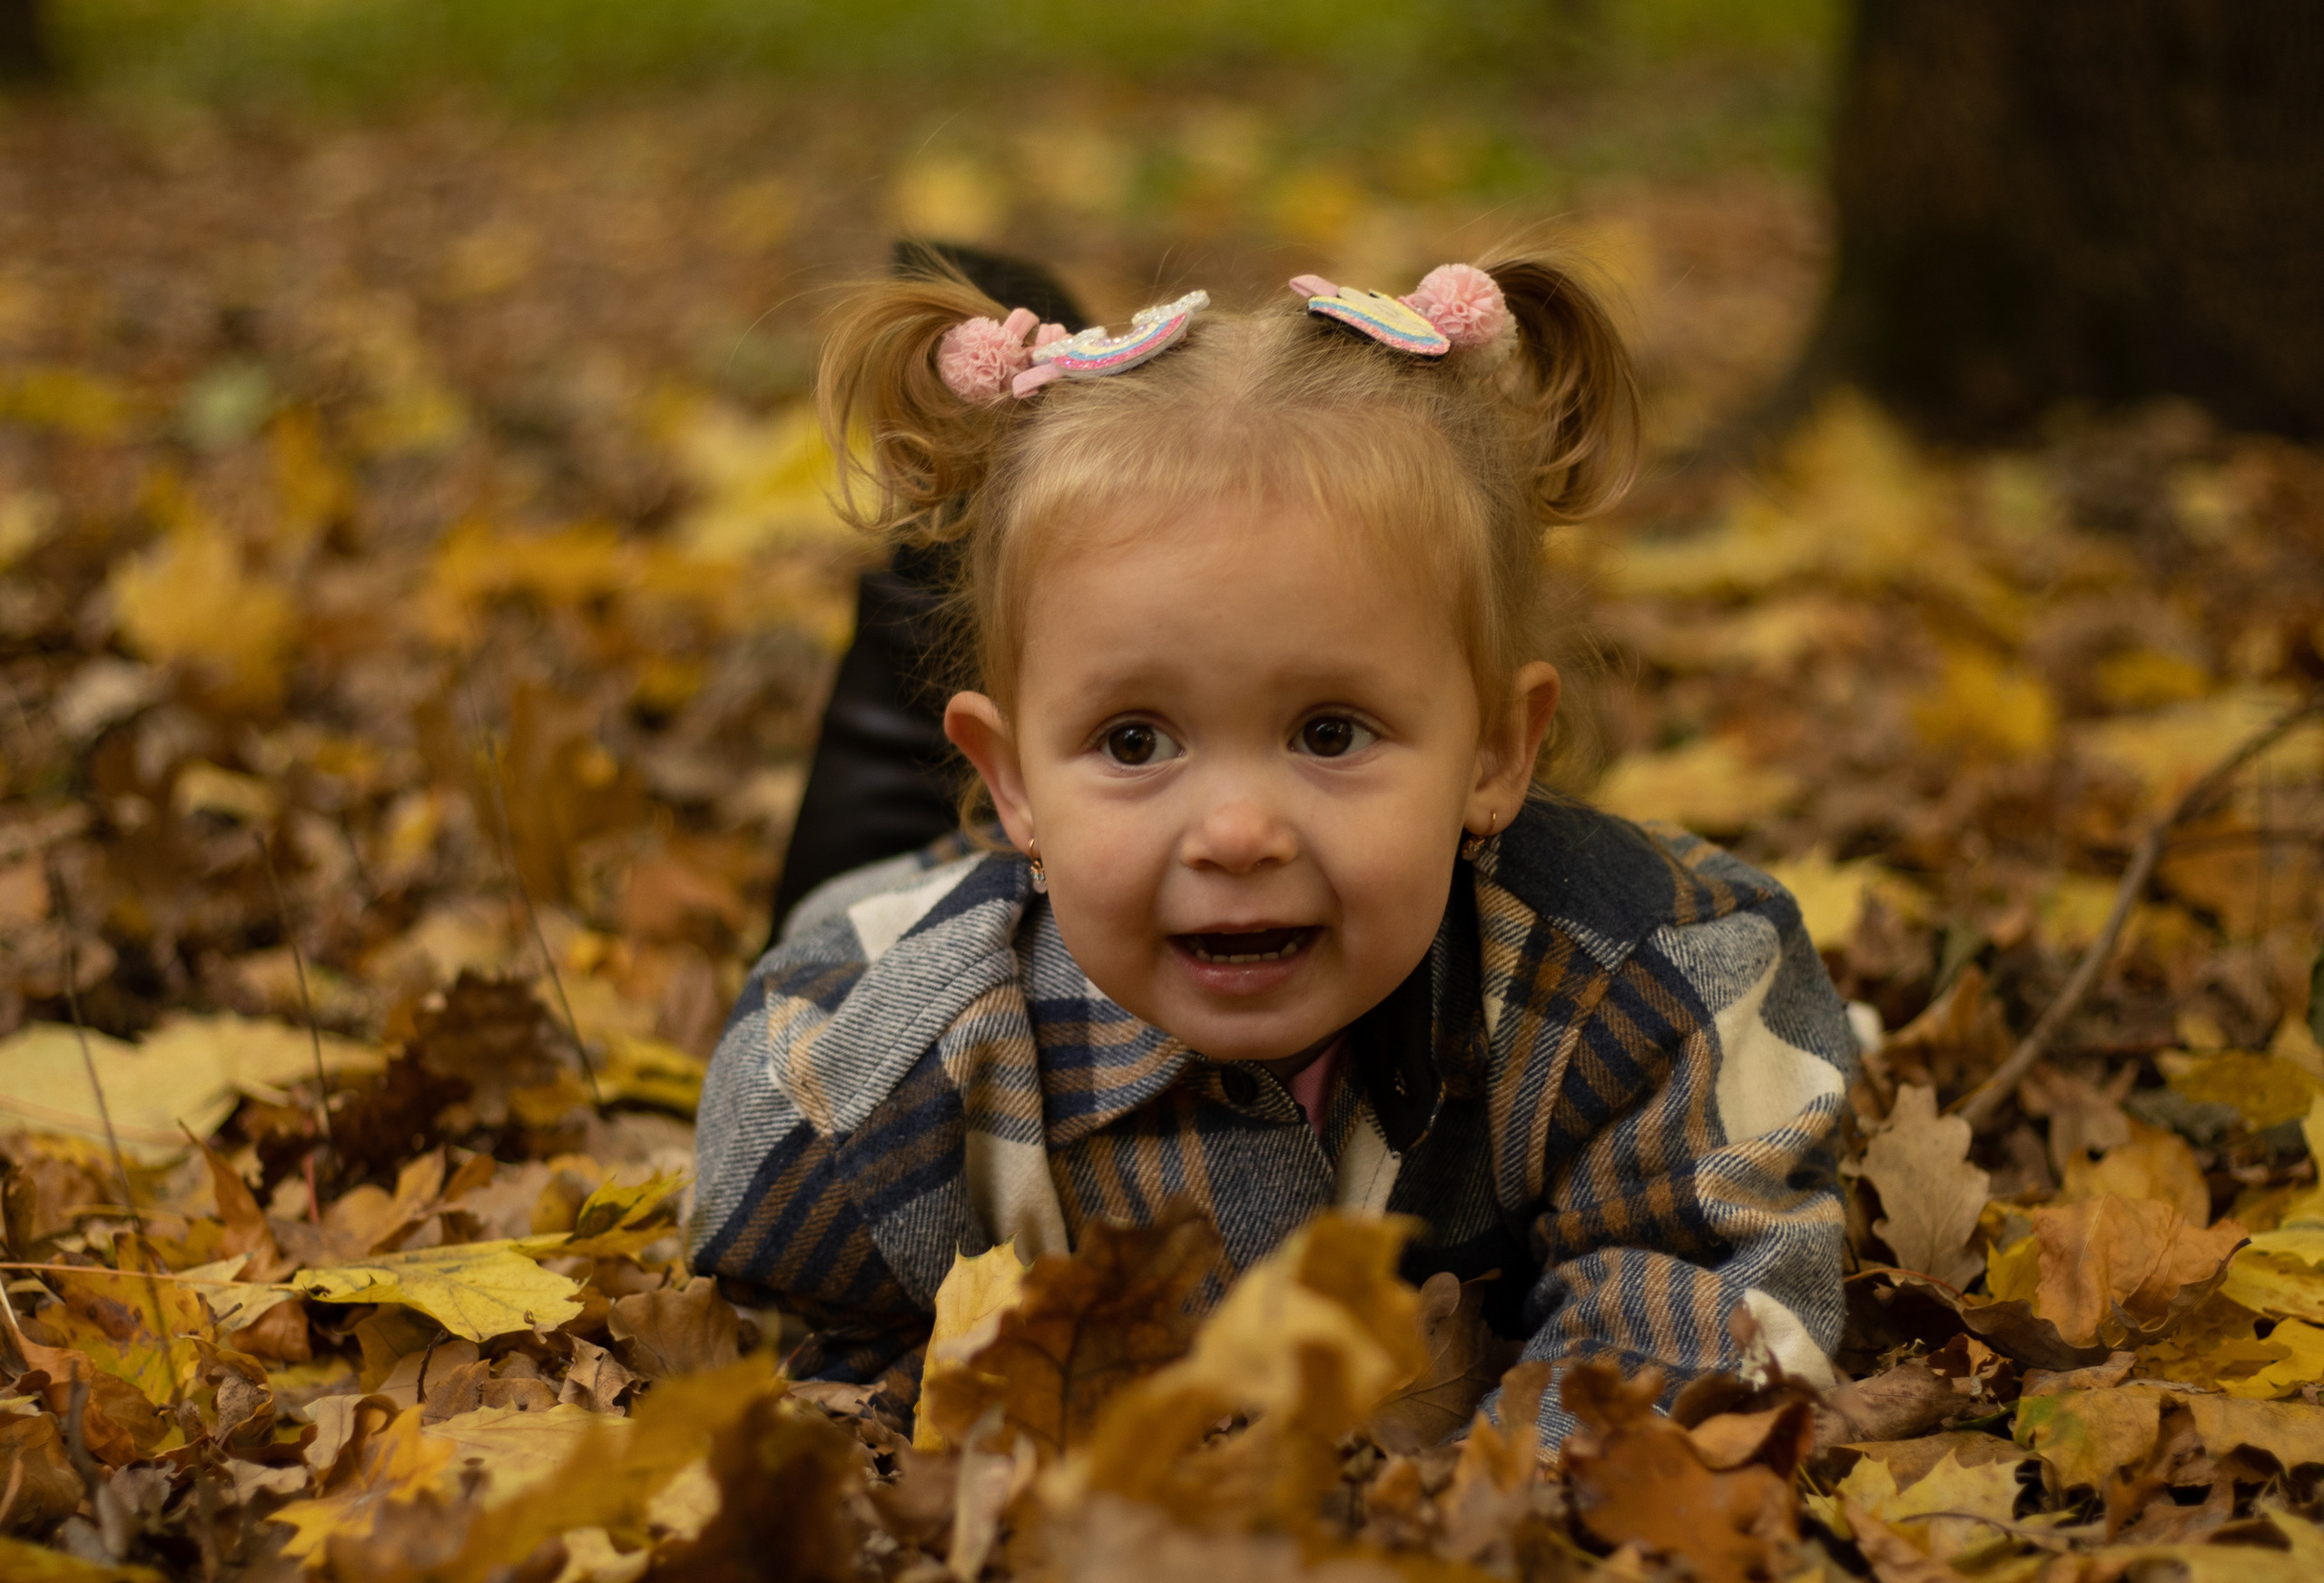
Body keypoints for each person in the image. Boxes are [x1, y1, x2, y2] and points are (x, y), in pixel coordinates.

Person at [692, 245, 1856, 1439]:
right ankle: (940, 607)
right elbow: (798, 1348)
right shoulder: (871, 1072)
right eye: (1138, 739)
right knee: (876, 831)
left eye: (1331, 732)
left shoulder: (1649, 994)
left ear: (1498, 753)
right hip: (955, 899)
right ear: (1016, 789)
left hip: (1086, 849)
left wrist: (1482, 1531)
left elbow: (1702, 1333)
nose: (1240, 833)